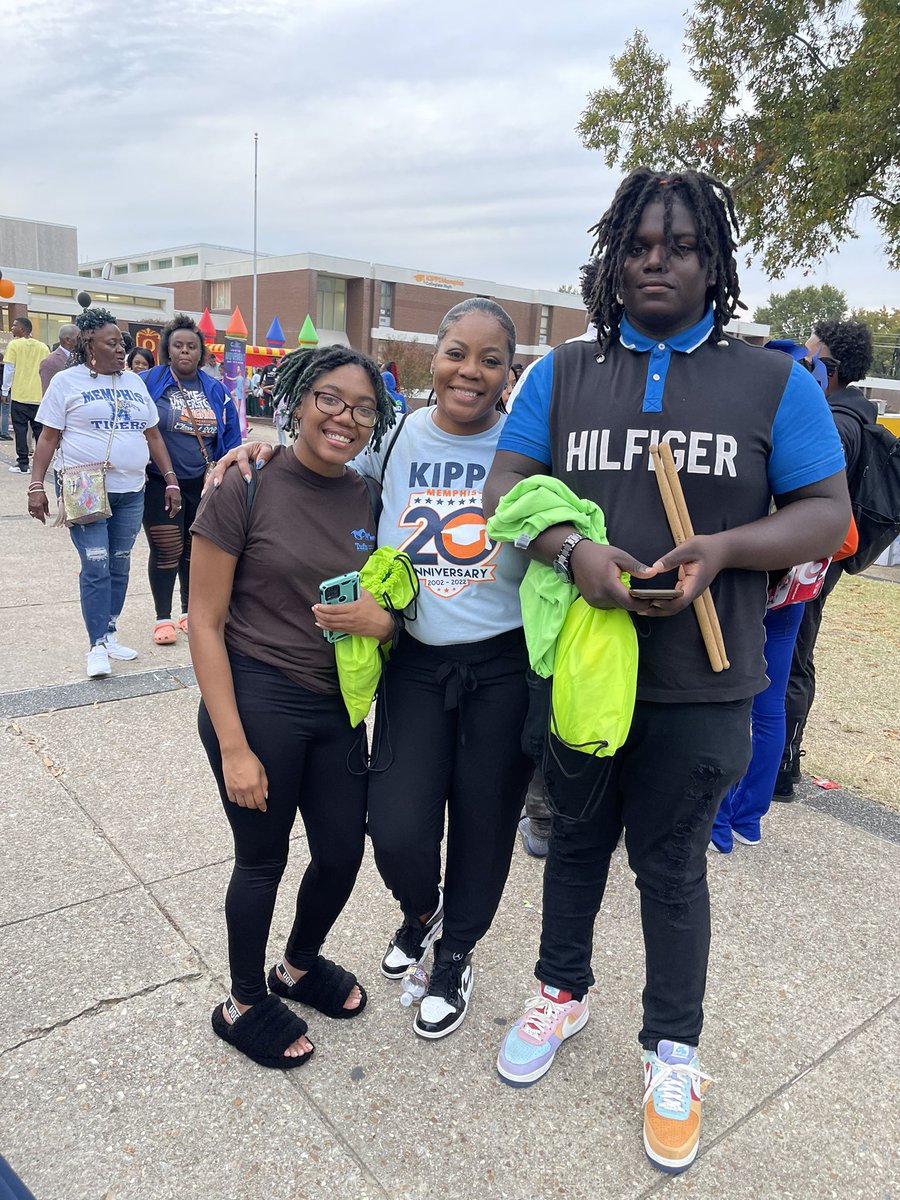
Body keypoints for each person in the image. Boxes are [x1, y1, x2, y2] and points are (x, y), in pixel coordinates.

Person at [483, 168, 848, 1175]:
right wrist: (571, 552)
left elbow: (826, 513)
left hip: (706, 677)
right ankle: (561, 992)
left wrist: (724, 550)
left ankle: (673, 1049)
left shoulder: (773, 381)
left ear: (712, 261)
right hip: (582, 669)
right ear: (613, 258)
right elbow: (506, 486)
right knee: (573, 844)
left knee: (673, 866)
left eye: (680, 246)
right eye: (639, 245)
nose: (656, 261)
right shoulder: (562, 373)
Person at [210, 298, 534, 1041]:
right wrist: (256, 448)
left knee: (483, 824)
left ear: (509, 372)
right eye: (456, 352)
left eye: (490, 360)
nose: (470, 371)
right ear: (434, 358)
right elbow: (321, 459)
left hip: (502, 664)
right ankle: (423, 910)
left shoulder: (526, 445)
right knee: (394, 830)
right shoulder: (395, 437)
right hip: (414, 663)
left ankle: (454, 954)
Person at [189, 345, 396, 1069]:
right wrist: (234, 746)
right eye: (330, 399)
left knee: (341, 851)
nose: (346, 417)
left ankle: (298, 967)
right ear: (299, 401)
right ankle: (243, 1002)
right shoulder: (244, 484)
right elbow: (204, 622)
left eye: (363, 407)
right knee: (262, 860)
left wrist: (384, 624)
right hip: (258, 698)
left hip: (336, 705)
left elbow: (393, 595)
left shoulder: (371, 497)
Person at [27, 309, 181, 678]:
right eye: (112, 343)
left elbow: (152, 435)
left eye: (121, 343)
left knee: (119, 562)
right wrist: (35, 485)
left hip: (131, 489)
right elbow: (48, 437)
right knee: (96, 563)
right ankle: (96, 645)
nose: (121, 349)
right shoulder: (66, 382)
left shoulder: (134, 383)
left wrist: (170, 478)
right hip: (85, 487)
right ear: (88, 345)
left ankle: (109, 631)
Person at [775, 317, 875, 800]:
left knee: (792, 658)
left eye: (810, 358)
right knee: (799, 654)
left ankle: (782, 766)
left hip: (811, 559)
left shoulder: (835, 423)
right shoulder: (858, 417)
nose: (802, 364)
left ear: (828, 370)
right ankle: (785, 757)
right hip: (824, 557)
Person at [141, 315, 241, 645]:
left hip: (203, 483)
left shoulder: (217, 390)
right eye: (178, 346)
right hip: (160, 481)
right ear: (167, 350)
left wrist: (226, 475)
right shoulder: (148, 382)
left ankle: (188, 611)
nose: (185, 351)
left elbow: (231, 437)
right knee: (167, 548)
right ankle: (162, 617)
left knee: (193, 550)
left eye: (192, 346)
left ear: (201, 353)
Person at [3, 317, 50, 473]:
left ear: (22, 329)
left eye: (14, 325)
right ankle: (42, 462)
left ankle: (23, 463)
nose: (12, 327)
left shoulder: (14, 345)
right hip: (39, 396)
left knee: (21, 431)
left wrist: (5, 390)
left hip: (20, 396)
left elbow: (9, 370)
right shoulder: (43, 347)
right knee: (40, 432)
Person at [39, 324, 78, 394]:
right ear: (68, 340)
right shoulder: (49, 362)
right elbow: (48, 393)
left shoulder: (82, 357)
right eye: (79, 338)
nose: (84, 340)